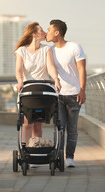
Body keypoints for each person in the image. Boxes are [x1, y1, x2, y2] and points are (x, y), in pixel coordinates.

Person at [46, 19, 86, 167]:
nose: (47, 32)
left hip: (74, 94)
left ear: (57, 32)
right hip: (57, 95)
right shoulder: (49, 50)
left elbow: (82, 69)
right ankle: (58, 158)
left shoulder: (74, 47)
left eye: (49, 30)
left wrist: (82, 89)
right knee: (59, 127)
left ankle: (69, 157)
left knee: (72, 129)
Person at [15, 22, 61, 145]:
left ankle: (36, 148)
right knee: (27, 123)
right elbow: (18, 71)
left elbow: (50, 67)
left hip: (43, 89)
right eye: (41, 30)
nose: (45, 32)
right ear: (35, 34)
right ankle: (25, 150)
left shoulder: (46, 49)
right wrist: (20, 82)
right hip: (28, 90)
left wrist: (56, 78)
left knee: (37, 125)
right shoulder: (21, 51)